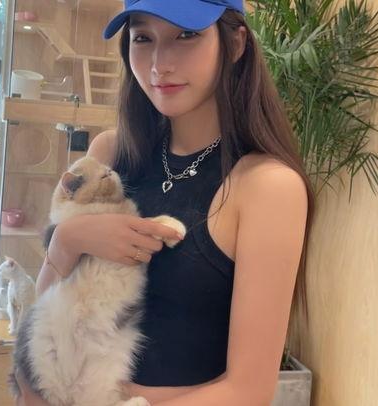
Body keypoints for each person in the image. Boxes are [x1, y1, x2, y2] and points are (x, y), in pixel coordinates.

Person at [16, 0, 315, 404]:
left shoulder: (267, 187)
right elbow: (48, 319)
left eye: (186, 35)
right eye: (143, 38)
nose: (160, 64)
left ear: (236, 43)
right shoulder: (110, 155)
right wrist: (67, 241)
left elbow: (248, 390)